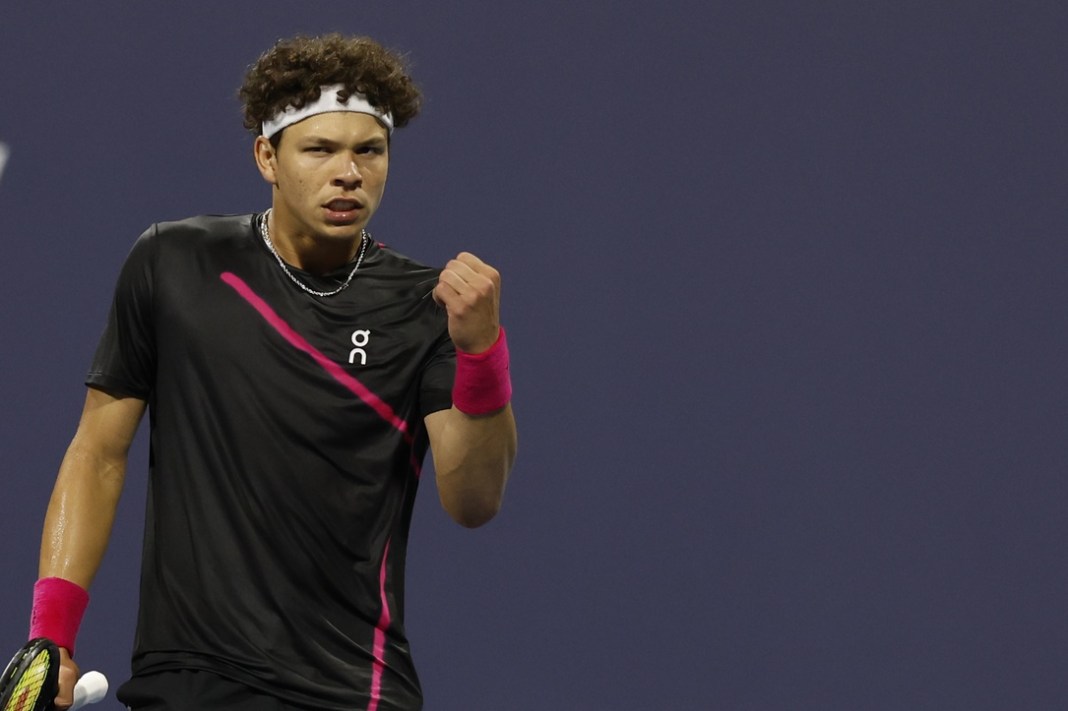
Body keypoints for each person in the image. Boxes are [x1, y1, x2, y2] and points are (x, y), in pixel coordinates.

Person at [28, 34, 517, 711]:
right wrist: (50, 633)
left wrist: (482, 352)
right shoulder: (173, 261)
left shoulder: (425, 305)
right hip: (184, 679)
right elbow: (98, 452)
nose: (348, 173)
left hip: (350, 690)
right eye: (320, 150)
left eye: (368, 151)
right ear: (268, 155)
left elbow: (473, 500)